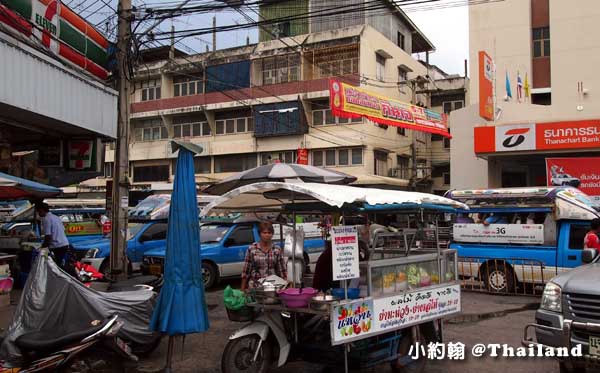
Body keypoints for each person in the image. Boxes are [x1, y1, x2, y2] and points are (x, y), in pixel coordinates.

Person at [241, 222, 287, 291]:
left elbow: (282, 271)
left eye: (269, 233)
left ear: (272, 234)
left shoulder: (277, 249)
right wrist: (242, 290)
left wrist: (286, 287)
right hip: (255, 286)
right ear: (260, 234)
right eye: (264, 233)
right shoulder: (252, 249)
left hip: (272, 287)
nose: (267, 235)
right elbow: (246, 272)